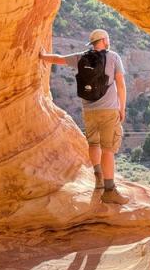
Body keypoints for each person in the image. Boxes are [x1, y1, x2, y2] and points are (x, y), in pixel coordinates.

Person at [39, 28, 129, 205]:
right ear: (104, 40)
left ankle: (98, 179)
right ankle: (109, 190)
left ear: (92, 43)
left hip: (89, 111)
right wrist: (122, 108)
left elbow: (58, 59)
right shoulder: (113, 57)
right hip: (109, 111)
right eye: (107, 38)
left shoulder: (81, 57)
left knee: (93, 144)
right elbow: (121, 85)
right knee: (108, 149)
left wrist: (42, 56)